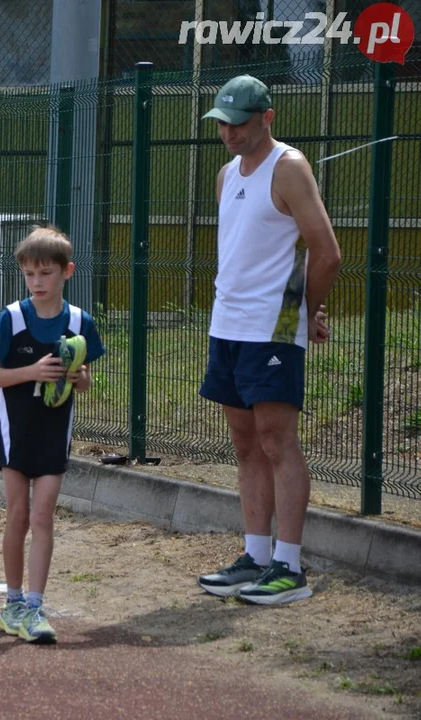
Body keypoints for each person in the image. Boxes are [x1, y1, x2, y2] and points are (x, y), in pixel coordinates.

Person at [196, 74, 339, 605]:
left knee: (278, 443)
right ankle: (255, 556)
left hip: (272, 328)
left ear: (266, 118)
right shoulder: (225, 173)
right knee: (245, 444)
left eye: (238, 124)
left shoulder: (290, 167)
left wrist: (303, 314)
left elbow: (324, 252)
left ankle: (289, 568)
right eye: (222, 124)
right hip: (226, 324)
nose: (229, 134)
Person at [0, 226, 105, 643]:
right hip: (16, 428)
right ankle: (12, 602)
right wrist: (32, 372)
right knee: (17, 513)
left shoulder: (79, 321)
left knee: (43, 513)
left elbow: (85, 384)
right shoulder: (12, 318)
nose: (37, 282)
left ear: (66, 272)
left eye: (45, 274)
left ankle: (34, 606)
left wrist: (77, 377)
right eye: (30, 274)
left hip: (54, 428)